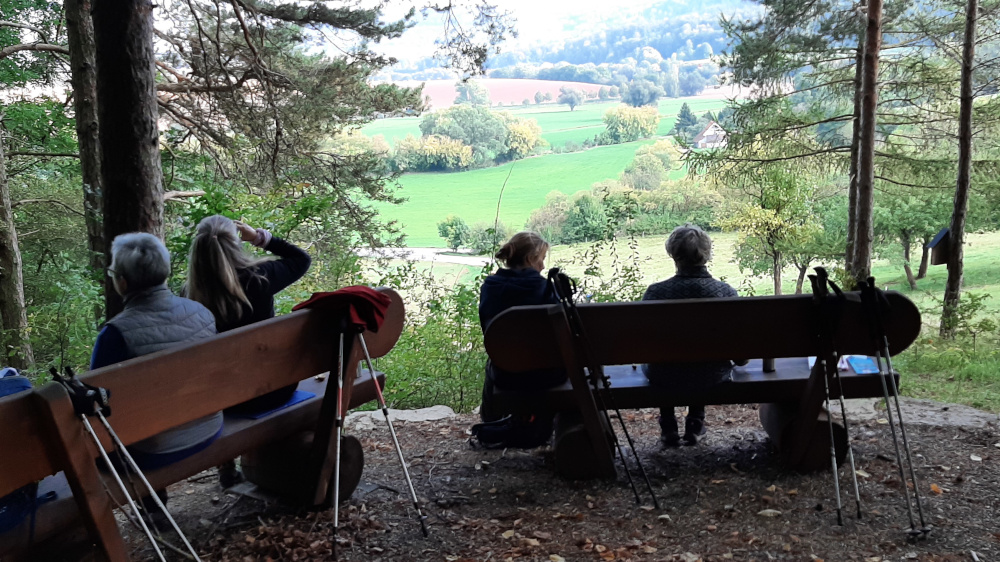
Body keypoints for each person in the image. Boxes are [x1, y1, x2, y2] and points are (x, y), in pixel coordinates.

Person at [185, 215, 310, 487]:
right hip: (275, 390)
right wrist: (258, 237)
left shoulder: (189, 295)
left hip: (225, 402)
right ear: (235, 243)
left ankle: (226, 469)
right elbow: (302, 260)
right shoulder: (260, 278)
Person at [91, 233, 222, 470]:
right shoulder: (201, 313)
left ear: (122, 282)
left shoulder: (115, 334)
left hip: (152, 450)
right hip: (209, 427)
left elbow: (97, 403)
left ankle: (151, 503)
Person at [641, 224, 747, 447]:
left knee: (664, 361)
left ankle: (668, 425)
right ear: (706, 254)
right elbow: (741, 356)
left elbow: (644, 344)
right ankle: (695, 423)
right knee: (701, 363)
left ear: (673, 254)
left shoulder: (655, 293)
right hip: (712, 375)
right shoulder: (726, 293)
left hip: (664, 375)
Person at [477, 231, 565, 427]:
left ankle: (490, 419)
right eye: (541, 259)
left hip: (506, 375)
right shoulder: (545, 288)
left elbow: (489, 334)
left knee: (493, 362)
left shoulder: (490, 288)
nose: (543, 266)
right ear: (529, 259)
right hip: (548, 375)